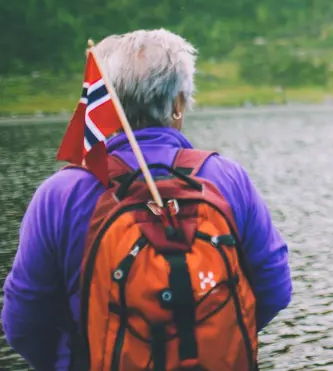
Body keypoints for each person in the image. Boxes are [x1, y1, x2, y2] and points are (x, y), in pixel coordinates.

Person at [2, 29, 293, 371]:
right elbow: (275, 289)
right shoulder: (228, 179)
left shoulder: (59, 196)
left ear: (107, 102)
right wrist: (210, 340)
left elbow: (22, 324)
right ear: (179, 104)